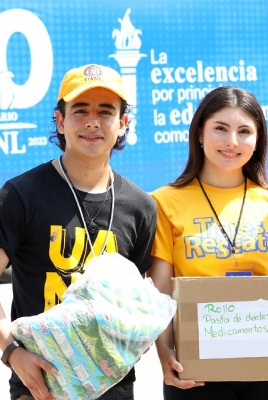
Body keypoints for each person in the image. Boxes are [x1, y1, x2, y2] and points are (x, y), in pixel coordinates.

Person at [0, 64, 157, 400]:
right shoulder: (21, 195)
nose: (92, 122)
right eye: (80, 110)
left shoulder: (141, 206)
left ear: (123, 124)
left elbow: (140, 303)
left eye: (105, 111)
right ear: (60, 120)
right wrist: (11, 351)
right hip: (40, 387)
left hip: (114, 387)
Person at [147, 86, 268, 400]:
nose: (232, 142)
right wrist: (164, 352)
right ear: (199, 133)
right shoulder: (164, 203)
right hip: (196, 370)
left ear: (258, 139)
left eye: (244, 131)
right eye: (220, 128)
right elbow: (160, 290)